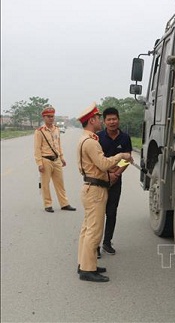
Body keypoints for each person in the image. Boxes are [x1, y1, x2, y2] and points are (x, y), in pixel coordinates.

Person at [76, 102, 132, 282]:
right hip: (97, 187)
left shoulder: (122, 138)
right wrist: (120, 156)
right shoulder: (93, 140)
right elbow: (103, 163)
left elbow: (103, 165)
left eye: (113, 119)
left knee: (90, 227)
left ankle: (86, 262)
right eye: (102, 119)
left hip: (101, 182)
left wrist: (116, 173)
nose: (107, 121)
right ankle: (87, 269)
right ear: (93, 120)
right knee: (93, 230)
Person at [97, 107, 132, 256]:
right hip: (99, 180)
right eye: (109, 119)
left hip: (116, 180)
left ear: (118, 120)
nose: (112, 122)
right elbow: (95, 160)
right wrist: (107, 174)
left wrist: (116, 174)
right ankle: (95, 246)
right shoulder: (97, 137)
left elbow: (128, 158)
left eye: (114, 119)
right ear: (104, 122)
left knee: (111, 213)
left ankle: (107, 242)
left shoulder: (125, 138)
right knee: (98, 214)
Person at [34, 106, 76, 213]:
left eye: (52, 116)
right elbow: (37, 149)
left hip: (56, 160)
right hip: (45, 160)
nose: (51, 118)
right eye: (48, 117)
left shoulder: (56, 129)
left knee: (60, 183)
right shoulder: (40, 131)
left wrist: (62, 157)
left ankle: (64, 204)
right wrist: (39, 163)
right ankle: (48, 204)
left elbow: (58, 145)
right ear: (44, 117)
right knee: (45, 184)